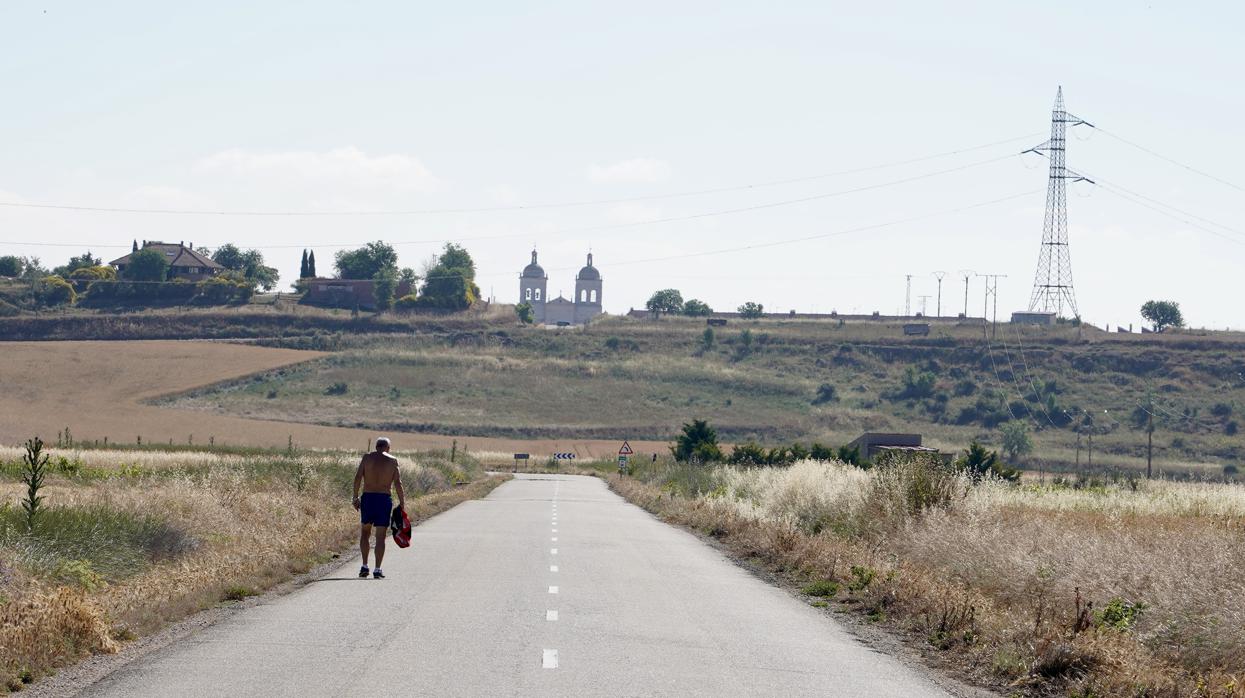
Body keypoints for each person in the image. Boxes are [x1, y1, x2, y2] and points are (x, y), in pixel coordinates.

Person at [352, 437, 405, 579]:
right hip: (383, 499)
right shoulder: (393, 461)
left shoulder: (367, 458)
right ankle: (377, 569)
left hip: (368, 498)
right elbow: (398, 484)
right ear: (388, 448)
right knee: (380, 537)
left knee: (365, 532)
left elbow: (358, 478)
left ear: (376, 447)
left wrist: (355, 497)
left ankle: (364, 566)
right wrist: (402, 503)